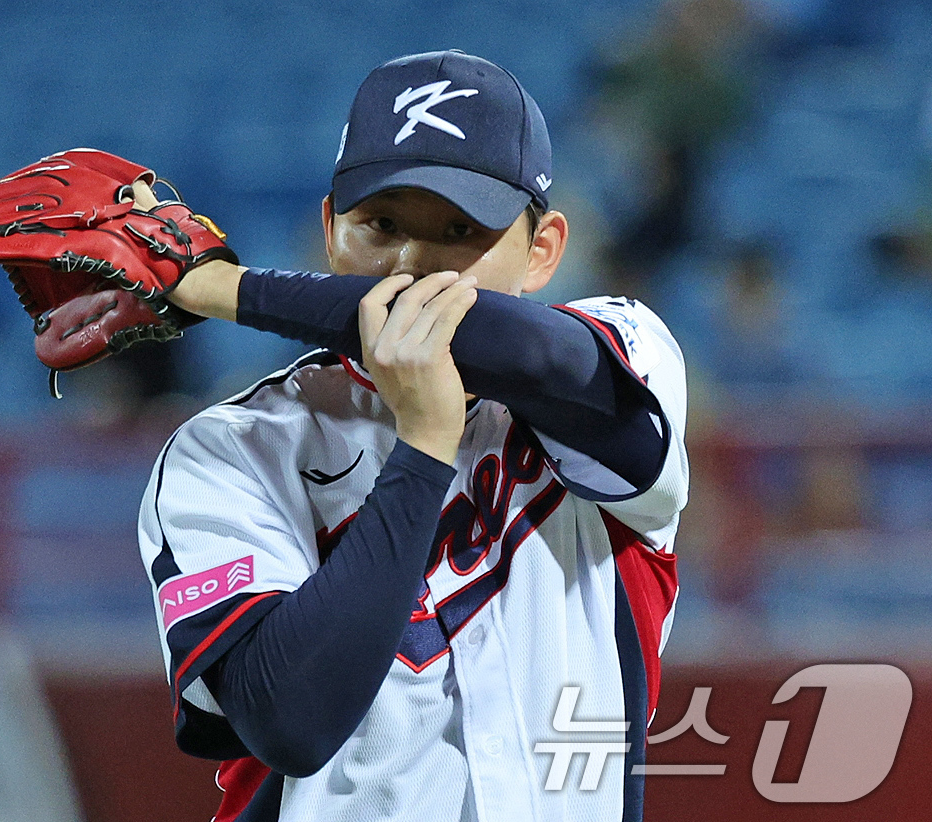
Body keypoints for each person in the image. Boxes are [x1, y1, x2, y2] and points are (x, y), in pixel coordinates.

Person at [136, 50, 687, 822]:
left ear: (543, 251)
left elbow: (528, 350)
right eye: (381, 224)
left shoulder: (623, 356)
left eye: (459, 230)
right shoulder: (231, 449)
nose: (409, 266)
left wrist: (226, 288)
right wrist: (423, 447)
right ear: (330, 234)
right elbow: (291, 722)